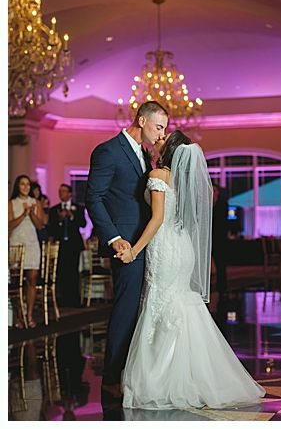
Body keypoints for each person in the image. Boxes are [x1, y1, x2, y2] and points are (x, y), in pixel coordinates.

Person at [117, 130, 264, 409]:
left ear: (170, 149)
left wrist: (135, 249)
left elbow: (157, 219)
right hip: (183, 247)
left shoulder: (158, 177)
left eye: (163, 137)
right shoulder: (182, 181)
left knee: (160, 303)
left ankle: (161, 379)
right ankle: (197, 376)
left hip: (164, 246)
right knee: (181, 303)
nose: (158, 139)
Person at [86, 100, 167, 418]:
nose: (161, 134)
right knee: (126, 307)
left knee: (141, 307)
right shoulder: (107, 150)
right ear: (142, 120)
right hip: (125, 246)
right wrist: (114, 237)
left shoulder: (145, 154)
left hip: (147, 242)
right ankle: (112, 378)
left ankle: (133, 371)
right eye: (158, 126)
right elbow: (93, 198)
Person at [9, 174, 46, 328]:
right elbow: (8, 226)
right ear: (17, 186)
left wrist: (31, 214)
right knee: (17, 282)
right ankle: (19, 314)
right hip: (16, 243)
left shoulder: (36, 203)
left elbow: (40, 225)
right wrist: (23, 214)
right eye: (22, 184)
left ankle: (29, 314)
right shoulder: (11, 203)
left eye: (27, 184)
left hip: (31, 243)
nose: (25, 187)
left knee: (32, 278)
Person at [48, 184, 87, 308]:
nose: (61, 193)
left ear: (70, 193)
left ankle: (74, 299)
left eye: (64, 191)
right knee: (61, 271)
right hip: (60, 244)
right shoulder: (54, 209)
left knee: (73, 271)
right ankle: (62, 299)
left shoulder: (79, 208)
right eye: (60, 191)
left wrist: (71, 216)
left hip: (73, 244)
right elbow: (51, 228)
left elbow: (83, 223)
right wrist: (59, 220)